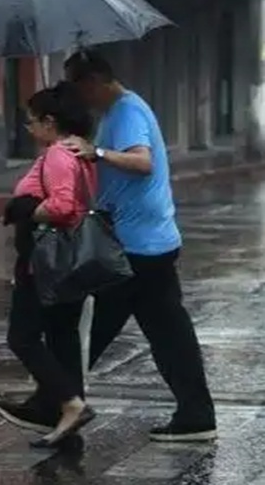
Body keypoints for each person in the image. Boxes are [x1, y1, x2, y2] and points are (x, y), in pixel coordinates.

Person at [61, 50, 217, 442]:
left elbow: (141, 162)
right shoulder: (118, 113)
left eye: (78, 90)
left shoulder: (127, 111)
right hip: (148, 243)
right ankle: (196, 415)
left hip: (137, 248)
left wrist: (95, 152)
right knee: (168, 333)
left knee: (88, 326)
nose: (79, 100)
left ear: (93, 81)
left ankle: (58, 400)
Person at [0, 82, 96, 448]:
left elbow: (64, 206)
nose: (28, 128)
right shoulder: (80, 155)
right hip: (73, 260)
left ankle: (70, 403)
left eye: (32, 121)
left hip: (45, 262)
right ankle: (61, 410)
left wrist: (24, 210)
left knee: (22, 337)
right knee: (62, 335)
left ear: (50, 122)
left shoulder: (58, 154)